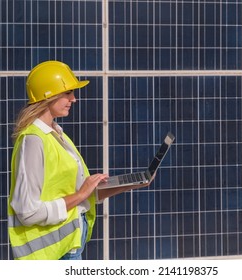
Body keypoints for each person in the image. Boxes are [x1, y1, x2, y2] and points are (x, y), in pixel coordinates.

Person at [8, 60, 152, 260]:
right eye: (68, 93)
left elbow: (77, 196)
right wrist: (82, 193)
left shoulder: (57, 135)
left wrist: (128, 185)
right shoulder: (33, 141)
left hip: (69, 247)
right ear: (48, 95)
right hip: (51, 256)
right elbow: (28, 212)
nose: (74, 99)